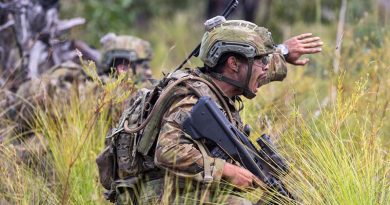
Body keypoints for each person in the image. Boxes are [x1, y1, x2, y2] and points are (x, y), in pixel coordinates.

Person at [109, 19, 322, 205]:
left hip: (182, 188)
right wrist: (227, 171)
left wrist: (283, 52)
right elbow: (167, 151)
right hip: (156, 193)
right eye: (261, 60)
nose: (266, 67)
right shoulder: (192, 99)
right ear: (233, 64)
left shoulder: (224, 85)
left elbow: (256, 72)